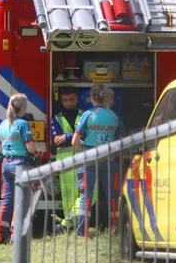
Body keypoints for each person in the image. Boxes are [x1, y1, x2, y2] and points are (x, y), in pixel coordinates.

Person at [72, 84, 124, 237]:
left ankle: (82, 232)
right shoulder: (115, 116)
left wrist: (85, 147)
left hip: (89, 158)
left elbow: (75, 140)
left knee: (86, 196)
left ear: (92, 98)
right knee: (113, 197)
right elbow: (121, 141)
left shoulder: (87, 115)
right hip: (109, 158)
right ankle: (116, 229)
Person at [0, 94, 35, 244]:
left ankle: (0, 234)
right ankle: (16, 237)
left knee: (7, 200)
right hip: (20, 164)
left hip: (6, 164)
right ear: (23, 107)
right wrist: (35, 153)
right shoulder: (23, 124)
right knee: (21, 201)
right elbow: (30, 148)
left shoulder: (2, 124)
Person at [51, 88, 82, 233]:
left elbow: (87, 136)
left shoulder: (85, 115)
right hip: (65, 163)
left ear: (77, 98)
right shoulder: (56, 118)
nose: (69, 103)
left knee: (85, 194)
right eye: (65, 100)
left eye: (72, 100)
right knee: (67, 196)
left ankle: (67, 223)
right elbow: (58, 141)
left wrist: (67, 137)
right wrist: (74, 137)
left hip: (82, 160)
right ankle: (71, 225)